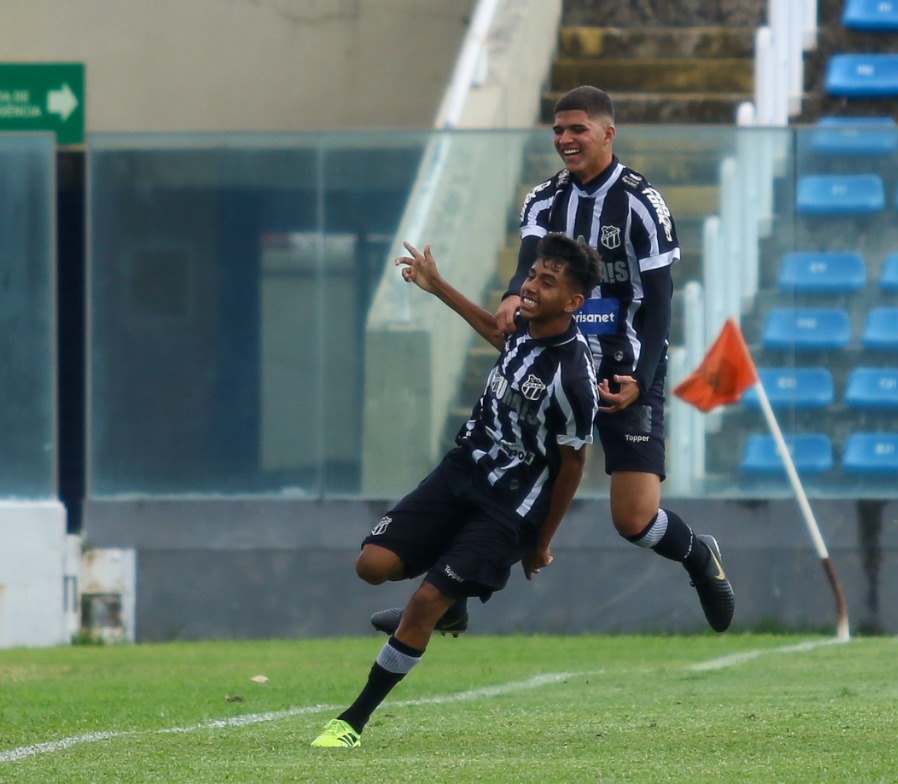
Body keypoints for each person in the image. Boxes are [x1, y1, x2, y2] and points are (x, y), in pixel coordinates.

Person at [371, 85, 734, 638]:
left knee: (634, 521)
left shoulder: (641, 203)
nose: (564, 140)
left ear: (607, 133)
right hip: (558, 367)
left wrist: (639, 379)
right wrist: (514, 296)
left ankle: (698, 556)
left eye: (577, 129)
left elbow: (660, 304)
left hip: (622, 373)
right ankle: (446, 596)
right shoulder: (543, 198)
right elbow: (525, 269)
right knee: (493, 477)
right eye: (558, 131)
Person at [311, 233, 600, 749]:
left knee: (423, 601)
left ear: (573, 302)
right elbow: (495, 328)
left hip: (512, 506)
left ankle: (352, 721)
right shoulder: (521, 329)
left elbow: (575, 462)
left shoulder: (573, 377)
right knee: (372, 566)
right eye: (532, 275)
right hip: (463, 470)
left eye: (545, 282)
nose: (529, 287)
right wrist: (434, 284)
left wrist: (541, 542)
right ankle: (453, 599)